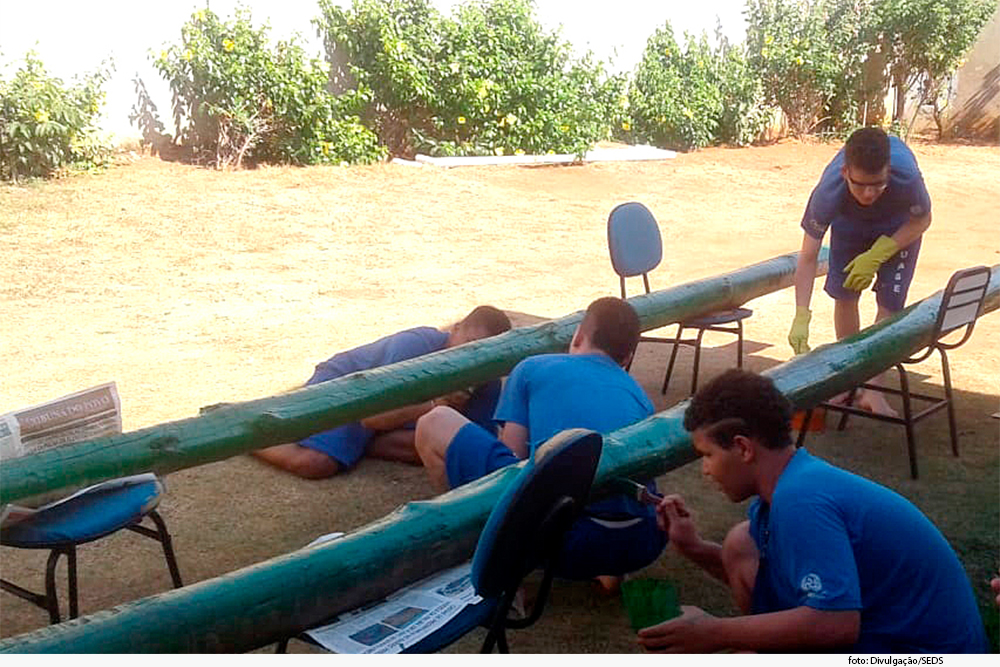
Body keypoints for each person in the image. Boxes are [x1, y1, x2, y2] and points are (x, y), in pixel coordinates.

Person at [637, 369, 988, 653]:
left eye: (707, 455)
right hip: (888, 637)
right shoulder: (790, 487)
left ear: (743, 448)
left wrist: (717, 633)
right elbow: (786, 584)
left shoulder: (801, 500)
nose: (706, 470)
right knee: (741, 542)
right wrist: (693, 547)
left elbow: (836, 624)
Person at [415, 297, 666, 585]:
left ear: (579, 336)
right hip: (641, 541)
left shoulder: (533, 368)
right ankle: (609, 569)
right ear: (627, 357)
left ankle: (473, 553)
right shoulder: (640, 396)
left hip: (562, 540)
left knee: (434, 422)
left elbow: (509, 465)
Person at [252, 305, 511, 479]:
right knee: (317, 463)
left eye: (485, 349)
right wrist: (435, 404)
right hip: (351, 387)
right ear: (454, 330)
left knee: (444, 444)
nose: (472, 356)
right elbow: (371, 417)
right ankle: (250, 431)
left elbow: (476, 442)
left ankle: (356, 445)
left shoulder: (486, 376)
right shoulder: (415, 346)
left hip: (394, 412)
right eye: (469, 344)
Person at [789, 127, 932, 415]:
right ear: (845, 173)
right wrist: (801, 313)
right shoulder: (829, 192)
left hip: (898, 227)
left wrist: (880, 253)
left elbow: (922, 219)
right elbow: (807, 257)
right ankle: (850, 378)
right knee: (845, 294)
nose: (869, 193)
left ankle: (874, 390)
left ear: (888, 171)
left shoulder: (906, 177)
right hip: (850, 225)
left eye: (878, 184)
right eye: (860, 185)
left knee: (890, 303)